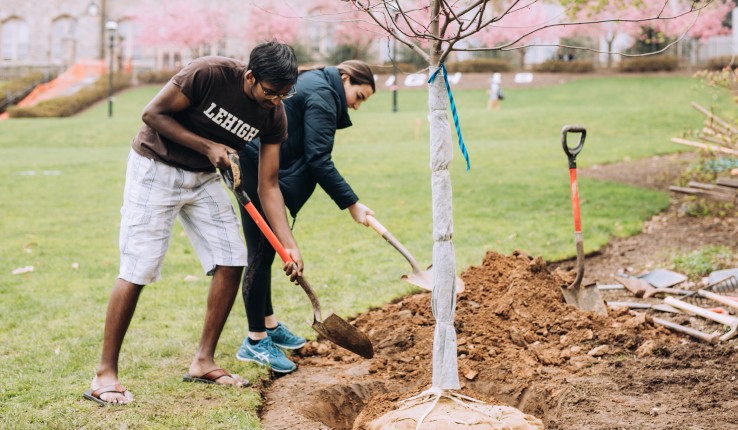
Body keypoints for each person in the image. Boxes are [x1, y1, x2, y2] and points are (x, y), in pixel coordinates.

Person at [84, 41, 303, 405]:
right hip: (156, 167)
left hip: (203, 179)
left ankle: (203, 361)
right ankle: (105, 374)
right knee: (139, 266)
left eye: (285, 93)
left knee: (233, 258)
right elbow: (152, 114)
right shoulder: (209, 73)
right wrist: (208, 147)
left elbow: (268, 185)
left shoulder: (273, 114)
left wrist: (288, 243)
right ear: (250, 77)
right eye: (270, 92)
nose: (277, 100)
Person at [234, 60, 376, 373]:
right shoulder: (324, 97)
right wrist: (352, 204)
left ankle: (268, 325)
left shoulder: (317, 83)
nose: (357, 104)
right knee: (260, 252)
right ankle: (256, 341)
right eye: (360, 95)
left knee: (266, 251)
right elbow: (318, 160)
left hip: (257, 161)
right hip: (257, 166)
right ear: (345, 77)